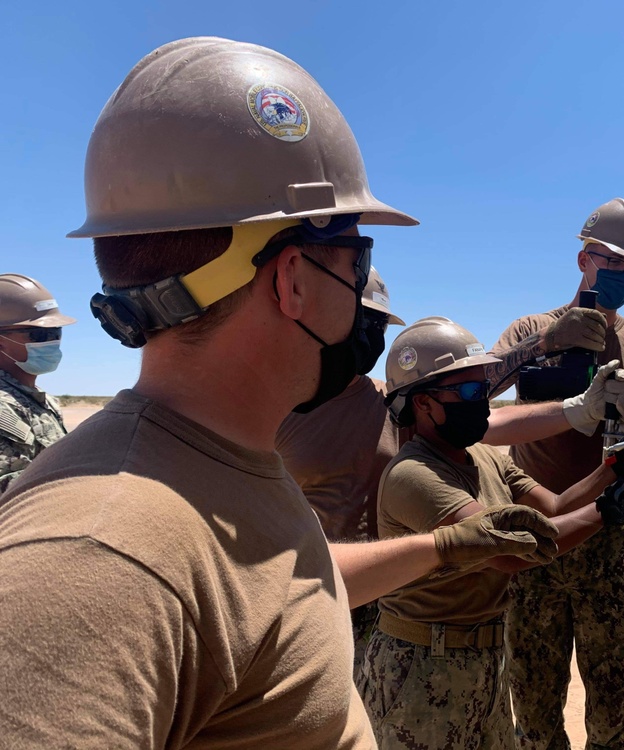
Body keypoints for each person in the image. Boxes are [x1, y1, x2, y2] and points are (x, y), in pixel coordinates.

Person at [0, 37, 557, 748]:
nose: (362, 296)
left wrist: (445, 546)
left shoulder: (220, 460)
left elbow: (275, 584)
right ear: (293, 279)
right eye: (356, 260)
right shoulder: (96, 556)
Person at [361, 316, 624, 748]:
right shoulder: (415, 475)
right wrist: (607, 512)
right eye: (466, 392)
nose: (480, 401)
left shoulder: (483, 457)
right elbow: (510, 554)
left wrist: (614, 469)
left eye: (482, 389)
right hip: (422, 667)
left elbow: (553, 507)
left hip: (483, 659)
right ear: (422, 404)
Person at [491, 198, 624, 750]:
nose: (623, 276)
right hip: (534, 537)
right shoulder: (532, 328)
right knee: (534, 706)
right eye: (612, 262)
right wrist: (546, 345)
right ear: (583, 259)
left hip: (610, 535)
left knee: (615, 705)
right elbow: (478, 398)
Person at [276, 265, 408, 685]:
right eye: (362, 319)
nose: (370, 333)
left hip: (386, 597)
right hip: (310, 595)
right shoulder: (280, 405)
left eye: (378, 323)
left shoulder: (391, 402)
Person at [0, 274, 76, 493]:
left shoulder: (43, 401)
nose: (52, 341)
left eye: (56, 332)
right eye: (39, 334)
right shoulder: (4, 407)